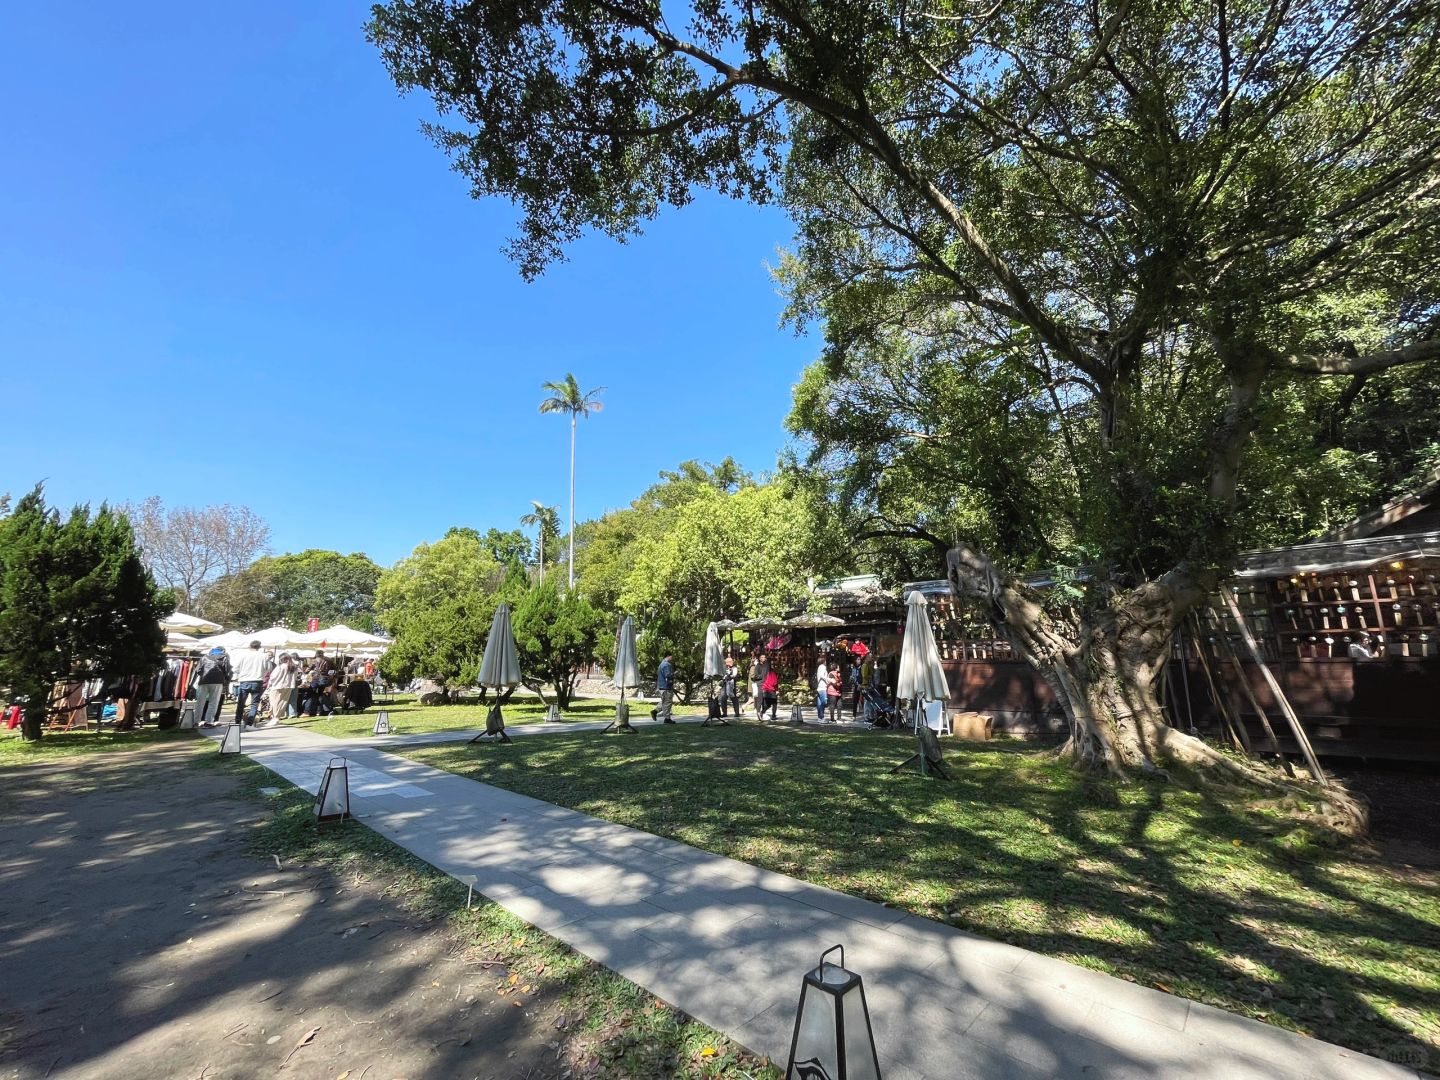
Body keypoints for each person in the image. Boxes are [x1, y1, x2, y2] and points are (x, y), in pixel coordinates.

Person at [230, 641, 272, 727]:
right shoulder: (264, 656)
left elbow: (235, 669)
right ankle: (250, 723)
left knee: (241, 703)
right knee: (254, 704)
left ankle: (237, 722)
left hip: (244, 680)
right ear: (259, 647)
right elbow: (269, 668)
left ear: (250, 646)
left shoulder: (243, 655)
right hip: (257, 681)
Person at [194, 647, 231, 728]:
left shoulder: (204, 657)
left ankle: (196, 722)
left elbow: (198, 670)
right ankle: (209, 722)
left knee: (200, 702)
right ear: (223, 651)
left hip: (204, 680)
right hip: (217, 681)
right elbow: (227, 669)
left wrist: (203, 675)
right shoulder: (225, 657)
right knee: (213, 702)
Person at [265, 652, 299, 727]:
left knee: (274, 702)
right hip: (289, 686)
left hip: (277, 686)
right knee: (282, 702)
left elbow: (273, 677)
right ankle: (277, 717)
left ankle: (275, 718)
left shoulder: (280, 667)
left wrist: (270, 685)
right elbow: (296, 676)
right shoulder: (293, 667)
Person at [653, 652, 676, 723]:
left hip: (661, 686)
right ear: (668, 656)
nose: (672, 658)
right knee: (668, 702)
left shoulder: (661, 665)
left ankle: (655, 711)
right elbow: (668, 675)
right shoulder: (666, 665)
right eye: (671, 657)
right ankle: (667, 719)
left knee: (664, 701)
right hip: (666, 687)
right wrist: (675, 674)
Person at [814, 656, 830, 721]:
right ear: (823, 661)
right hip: (822, 686)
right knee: (824, 702)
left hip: (819, 686)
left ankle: (819, 717)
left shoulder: (819, 667)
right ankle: (821, 716)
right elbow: (822, 676)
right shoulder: (823, 667)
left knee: (819, 702)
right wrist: (828, 679)